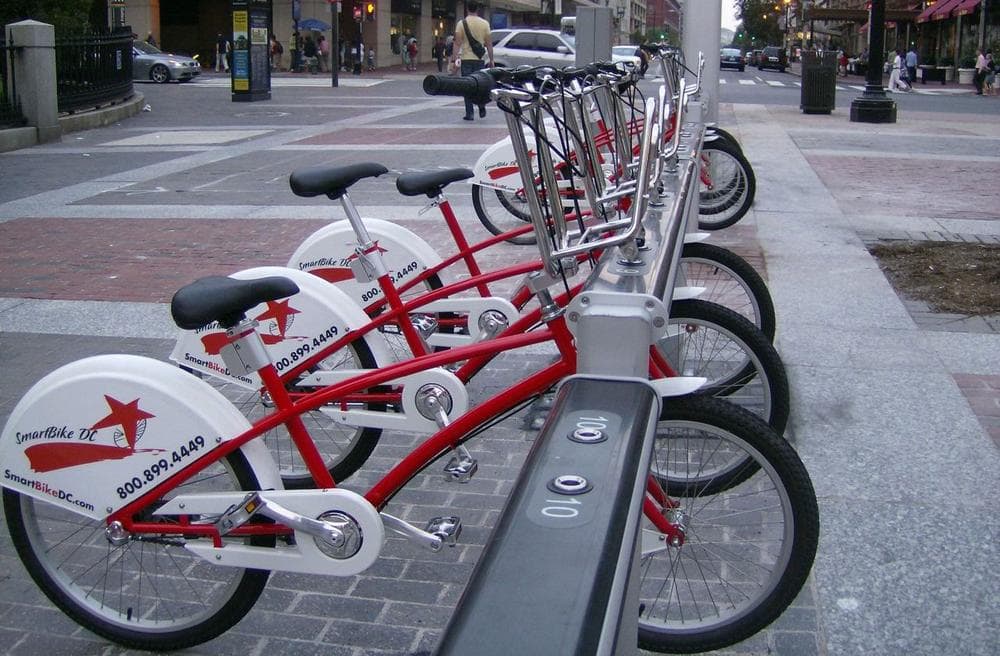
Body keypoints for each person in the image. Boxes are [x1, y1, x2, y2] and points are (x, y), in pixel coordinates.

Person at [453, 0, 494, 121]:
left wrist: (454, 59)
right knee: (480, 85)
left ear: (467, 9)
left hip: (466, 59)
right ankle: (481, 105)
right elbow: (489, 44)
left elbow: (457, 43)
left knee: (467, 86)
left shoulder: (461, 24)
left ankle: (469, 113)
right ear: (478, 9)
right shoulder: (485, 24)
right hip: (479, 60)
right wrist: (491, 59)